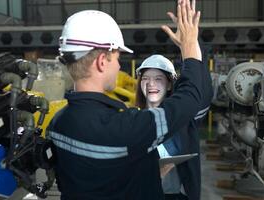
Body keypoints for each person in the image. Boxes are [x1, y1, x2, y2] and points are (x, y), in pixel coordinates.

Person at [47, 0, 212, 199]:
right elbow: (188, 100)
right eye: (117, 59)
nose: (118, 67)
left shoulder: (58, 123)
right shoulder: (124, 127)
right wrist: (190, 48)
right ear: (101, 62)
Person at [135, 54, 212, 200]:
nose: (151, 83)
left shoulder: (183, 120)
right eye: (145, 78)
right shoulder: (133, 120)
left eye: (158, 79)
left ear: (170, 84)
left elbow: (203, 94)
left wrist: (192, 54)